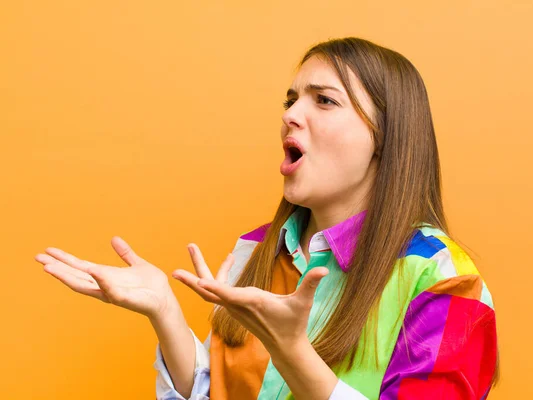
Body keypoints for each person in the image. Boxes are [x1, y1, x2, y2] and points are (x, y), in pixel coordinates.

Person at [35, 37, 498, 400]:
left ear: (386, 137)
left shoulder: (445, 280)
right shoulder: (255, 251)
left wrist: (291, 351)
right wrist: (166, 312)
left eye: (324, 100)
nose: (291, 115)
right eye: (291, 99)